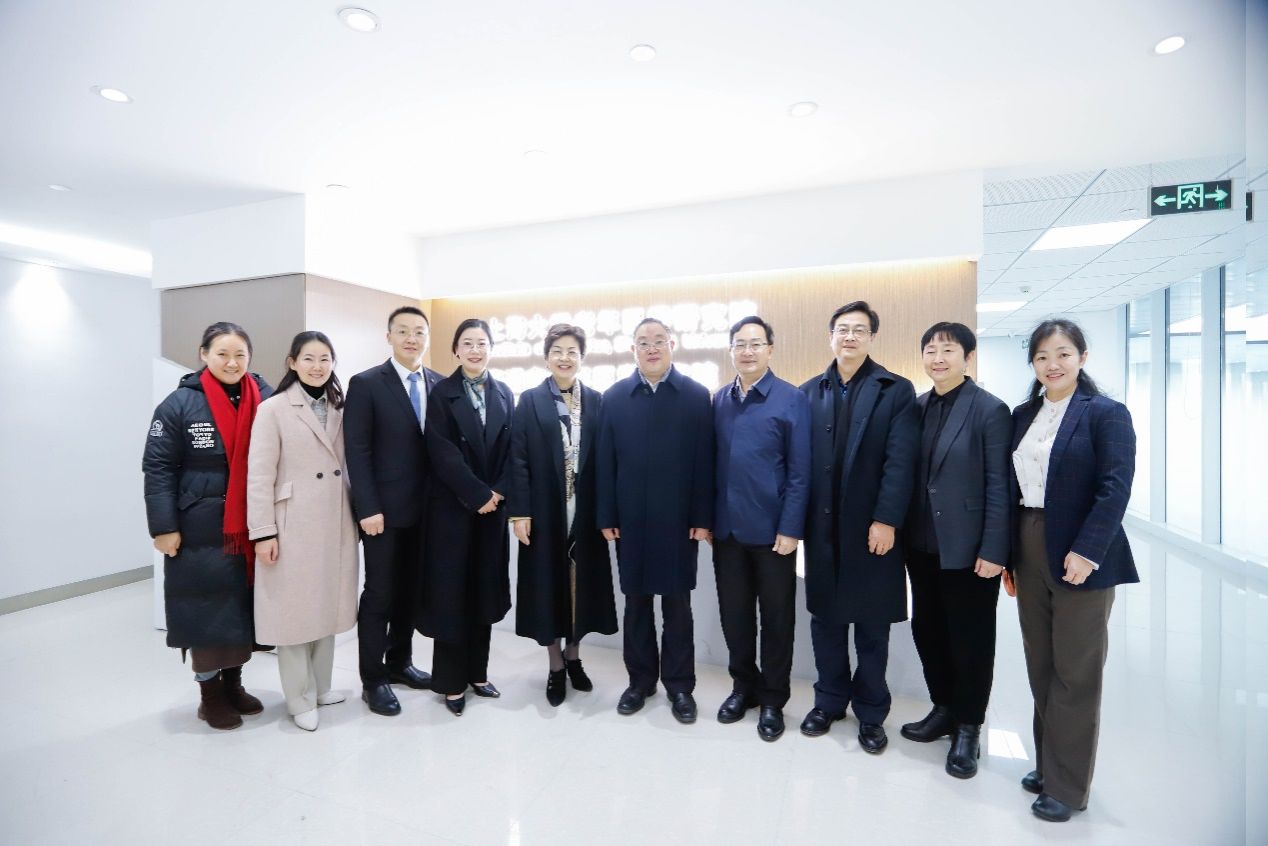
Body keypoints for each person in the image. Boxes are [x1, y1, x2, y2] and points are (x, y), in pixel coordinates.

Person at [1006, 318, 1137, 822]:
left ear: (1082, 357)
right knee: (1040, 663)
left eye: (1062, 354)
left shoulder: (1105, 413)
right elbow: (1012, 489)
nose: (1052, 364)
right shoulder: (1024, 415)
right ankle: (1048, 766)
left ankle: (1068, 787)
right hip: (1029, 542)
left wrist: (1088, 551)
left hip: (1080, 549)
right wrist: (1009, 556)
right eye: (1042, 356)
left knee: (1075, 672)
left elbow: (1115, 488)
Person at [798, 301, 917, 754]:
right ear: (831, 336)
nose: (849, 337)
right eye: (842, 329)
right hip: (823, 530)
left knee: (871, 627)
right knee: (825, 622)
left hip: (872, 531)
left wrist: (886, 520)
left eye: (859, 330)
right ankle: (829, 701)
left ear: (871, 338)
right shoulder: (809, 392)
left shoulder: (895, 390)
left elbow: (900, 463)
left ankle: (871, 712)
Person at [143, 321, 272, 731]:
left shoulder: (264, 396)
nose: (232, 362)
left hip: (249, 523)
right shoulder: (179, 404)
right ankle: (210, 696)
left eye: (240, 355)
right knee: (205, 611)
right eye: (222, 354)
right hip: (198, 526)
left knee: (240, 610)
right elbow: (158, 468)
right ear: (203, 355)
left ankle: (233, 684)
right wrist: (163, 527)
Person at [899, 322, 1011, 777]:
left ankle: (968, 726)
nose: (938, 358)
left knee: (971, 639)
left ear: (968, 357)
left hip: (969, 548)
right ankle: (942, 708)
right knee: (929, 631)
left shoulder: (990, 410)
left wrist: (995, 549)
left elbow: (1000, 485)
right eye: (930, 350)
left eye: (948, 350)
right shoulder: (916, 407)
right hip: (921, 545)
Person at [596, 317, 714, 723]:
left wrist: (702, 516)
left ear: (672, 345)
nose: (651, 348)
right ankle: (640, 682)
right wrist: (607, 514)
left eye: (658, 340)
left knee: (677, 606)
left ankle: (680, 686)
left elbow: (705, 462)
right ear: (633, 350)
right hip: (630, 520)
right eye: (643, 342)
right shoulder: (614, 397)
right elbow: (605, 462)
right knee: (636, 604)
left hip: (679, 521)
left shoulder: (695, 396)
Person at [247, 332, 359, 732]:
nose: (317, 366)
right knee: (294, 613)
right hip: (292, 523)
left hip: (335, 519)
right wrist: (263, 532)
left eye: (325, 358)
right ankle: (298, 698)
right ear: (292, 363)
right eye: (308, 358)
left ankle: (321, 687)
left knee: (326, 606)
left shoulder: (340, 406)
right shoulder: (273, 409)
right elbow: (259, 476)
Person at [710, 316, 810, 741]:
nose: (747, 351)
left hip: (774, 535)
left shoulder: (791, 399)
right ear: (731, 350)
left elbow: (801, 472)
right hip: (727, 532)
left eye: (755, 343)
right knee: (734, 617)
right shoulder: (719, 399)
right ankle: (743, 687)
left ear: (770, 349)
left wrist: (791, 528)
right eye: (740, 344)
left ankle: (773, 699)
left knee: (777, 619)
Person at [508, 324, 618, 706]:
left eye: (572, 351)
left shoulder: (597, 401)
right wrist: (520, 512)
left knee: (581, 588)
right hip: (544, 511)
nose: (565, 358)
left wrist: (607, 513)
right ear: (546, 357)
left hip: (585, 513)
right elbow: (518, 459)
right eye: (557, 350)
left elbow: (606, 460)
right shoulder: (530, 400)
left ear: (582, 358)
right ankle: (555, 665)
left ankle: (574, 658)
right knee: (547, 588)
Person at [344, 306, 441, 716]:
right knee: (380, 594)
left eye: (419, 331)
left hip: (428, 512)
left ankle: (400, 663)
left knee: (410, 593)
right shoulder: (366, 383)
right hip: (382, 513)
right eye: (403, 331)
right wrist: (367, 507)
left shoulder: (439, 384)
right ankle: (373, 679)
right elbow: (357, 450)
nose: (411, 338)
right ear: (389, 337)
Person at [418, 318, 514, 716]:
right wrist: (477, 494)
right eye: (468, 343)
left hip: (492, 511)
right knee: (452, 596)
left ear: (490, 348)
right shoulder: (442, 393)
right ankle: (451, 682)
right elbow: (441, 452)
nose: (475, 350)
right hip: (454, 510)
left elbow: (513, 449)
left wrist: (498, 492)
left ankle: (478, 673)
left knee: (484, 592)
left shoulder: (504, 392)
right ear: (456, 350)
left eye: (482, 343)